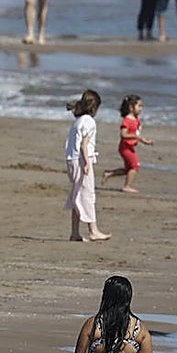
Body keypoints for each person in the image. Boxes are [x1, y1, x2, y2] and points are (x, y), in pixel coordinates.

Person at [65, 89, 110, 242]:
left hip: (71, 159)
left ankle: (75, 233)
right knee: (87, 195)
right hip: (81, 159)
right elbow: (84, 144)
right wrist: (86, 162)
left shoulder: (78, 120)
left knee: (77, 195)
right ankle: (93, 230)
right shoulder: (89, 121)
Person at [102, 94, 154, 192]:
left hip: (131, 147)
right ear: (131, 107)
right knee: (135, 166)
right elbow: (123, 134)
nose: (141, 109)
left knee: (128, 169)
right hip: (125, 148)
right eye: (139, 106)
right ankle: (127, 186)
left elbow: (137, 134)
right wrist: (136, 137)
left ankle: (109, 174)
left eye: (142, 106)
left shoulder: (136, 119)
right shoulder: (127, 120)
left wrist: (145, 141)